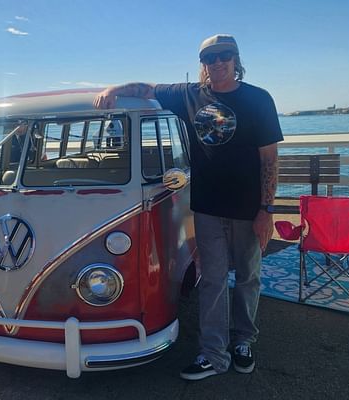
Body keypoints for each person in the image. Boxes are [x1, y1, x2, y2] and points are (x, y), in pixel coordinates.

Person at [94, 34, 283, 381]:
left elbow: (269, 159)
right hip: (208, 208)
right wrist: (115, 88)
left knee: (248, 278)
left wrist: (266, 211)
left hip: (248, 208)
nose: (217, 62)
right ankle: (213, 353)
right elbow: (148, 89)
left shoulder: (258, 99)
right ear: (203, 64)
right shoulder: (189, 95)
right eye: (210, 58)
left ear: (236, 59)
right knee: (211, 280)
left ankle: (243, 341)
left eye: (224, 56)